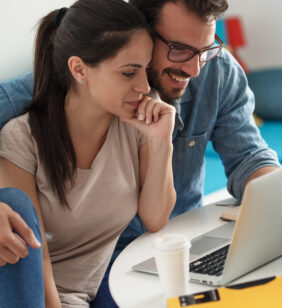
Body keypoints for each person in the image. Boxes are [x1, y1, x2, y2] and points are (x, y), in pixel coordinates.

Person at [0, 0, 282, 306]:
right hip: (100, 262)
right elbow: (28, 224)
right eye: (180, 49)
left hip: (170, 240)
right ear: (144, 34)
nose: (195, 69)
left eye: (206, 50)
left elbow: (248, 157)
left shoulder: (211, 75)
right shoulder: (52, 89)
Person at [0, 0, 176, 306]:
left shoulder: (139, 123)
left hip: (84, 294)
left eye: (145, 70)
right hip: (29, 294)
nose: (144, 86)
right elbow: (33, 254)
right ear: (79, 69)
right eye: (128, 73)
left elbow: (156, 219)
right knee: (15, 205)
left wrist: (162, 142)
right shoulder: (22, 138)